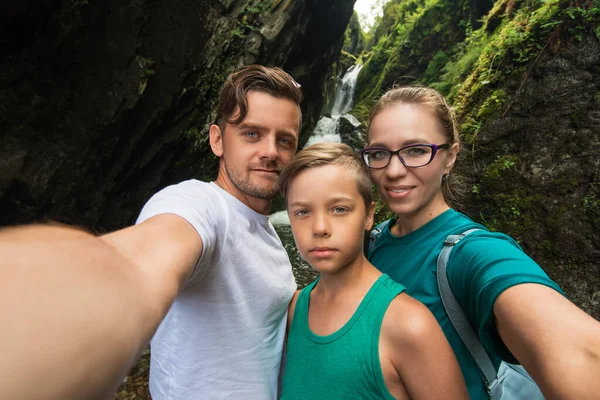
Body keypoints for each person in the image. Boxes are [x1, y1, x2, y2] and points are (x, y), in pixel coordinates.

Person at [0, 65, 302, 400]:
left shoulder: (268, 234)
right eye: (252, 134)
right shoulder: (200, 206)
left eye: (284, 140)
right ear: (217, 140)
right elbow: (135, 262)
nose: (271, 151)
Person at [361, 86, 600, 399]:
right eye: (379, 153)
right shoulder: (372, 243)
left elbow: (582, 352)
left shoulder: (470, 253)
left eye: (416, 151)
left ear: (450, 157)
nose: (393, 171)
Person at [277, 142, 469, 399]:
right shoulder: (294, 311)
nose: (320, 227)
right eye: (303, 212)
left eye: (339, 209)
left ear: (368, 216)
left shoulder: (408, 325)